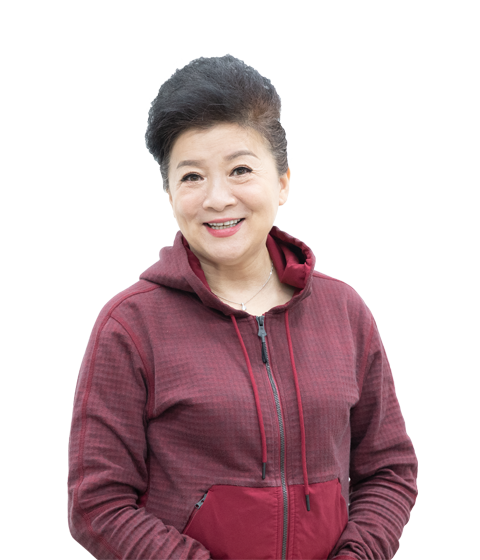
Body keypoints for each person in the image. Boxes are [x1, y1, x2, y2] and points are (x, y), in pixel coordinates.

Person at [67, 55, 418, 560]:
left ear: (283, 182)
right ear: (169, 194)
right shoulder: (131, 325)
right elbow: (97, 504)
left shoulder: (343, 312)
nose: (217, 198)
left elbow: (389, 469)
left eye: (240, 170)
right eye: (192, 177)